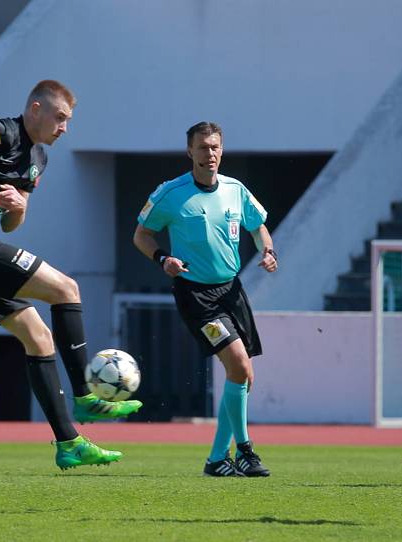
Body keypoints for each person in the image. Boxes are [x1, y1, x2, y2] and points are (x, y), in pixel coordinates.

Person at [0, 80, 142, 471]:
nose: (64, 127)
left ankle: (69, 443)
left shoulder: (38, 159)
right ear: (35, 109)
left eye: (68, 121)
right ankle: (86, 395)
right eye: (59, 118)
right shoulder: (1, 133)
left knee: (39, 337)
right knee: (66, 289)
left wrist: (18, 205)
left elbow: (11, 225)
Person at [133, 121, 277, 477]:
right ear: (190, 152)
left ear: (221, 150)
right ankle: (244, 450)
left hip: (231, 289)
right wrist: (162, 259)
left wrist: (268, 250)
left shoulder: (235, 190)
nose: (209, 153)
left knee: (244, 376)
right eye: (202, 147)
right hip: (196, 295)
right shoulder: (171, 193)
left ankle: (216, 459)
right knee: (239, 368)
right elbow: (141, 234)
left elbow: (257, 226)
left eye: (214, 147)